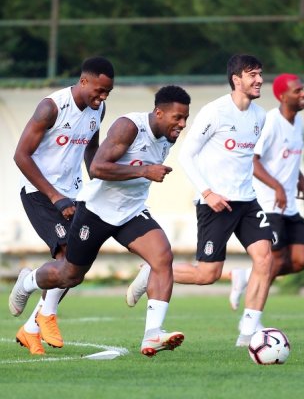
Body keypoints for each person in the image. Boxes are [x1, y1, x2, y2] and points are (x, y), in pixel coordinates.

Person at [9, 85, 191, 357]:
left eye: (185, 118)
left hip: (130, 212)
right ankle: (28, 282)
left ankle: (152, 335)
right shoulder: (128, 127)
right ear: (159, 113)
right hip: (96, 211)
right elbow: (97, 167)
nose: (182, 124)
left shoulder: (169, 136)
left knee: (162, 257)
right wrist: (144, 170)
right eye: (177, 118)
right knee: (70, 275)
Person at [125, 54, 274, 347]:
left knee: (265, 258)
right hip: (214, 204)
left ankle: (248, 332)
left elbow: (245, 160)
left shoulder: (260, 116)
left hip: (247, 201)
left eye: (260, 74)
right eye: (252, 75)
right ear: (236, 79)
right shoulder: (215, 112)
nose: (259, 80)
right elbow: (186, 155)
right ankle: (151, 272)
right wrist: (208, 193)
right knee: (208, 274)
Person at [11, 56, 114, 355]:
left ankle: (31, 328)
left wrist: (98, 183)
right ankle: (42, 306)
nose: (103, 97)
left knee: (76, 267)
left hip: (75, 194)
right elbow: (21, 156)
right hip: (41, 193)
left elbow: (91, 149)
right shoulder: (51, 107)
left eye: (108, 92)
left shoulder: (98, 109)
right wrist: (56, 196)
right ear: (83, 81)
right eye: (99, 90)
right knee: (68, 254)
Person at [227, 73, 304, 307]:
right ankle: (251, 319)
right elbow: (253, 161)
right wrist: (277, 187)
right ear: (283, 96)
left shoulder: (298, 123)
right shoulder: (271, 122)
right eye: (297, 91)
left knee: (301, 259)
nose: (303, 94)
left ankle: (245, 276)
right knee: (274, 259)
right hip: (268, 203)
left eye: (302, 89)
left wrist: (300, 178)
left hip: (289, 207)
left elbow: (286, 157)